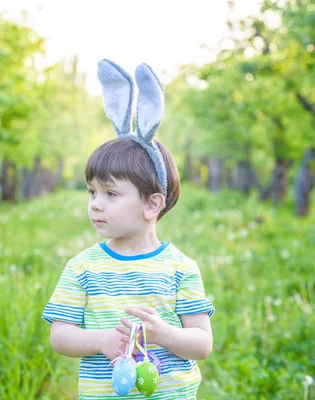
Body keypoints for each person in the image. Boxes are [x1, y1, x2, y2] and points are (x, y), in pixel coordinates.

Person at [42, 59, 214, 399]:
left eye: (111, 194)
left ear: (152, 204)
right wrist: (101, 340)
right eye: (92, 192)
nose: (95, 204)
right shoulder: (83, 268)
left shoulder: (180, 269)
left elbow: (202, 343)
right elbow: (60, 336)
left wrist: (165, 334)